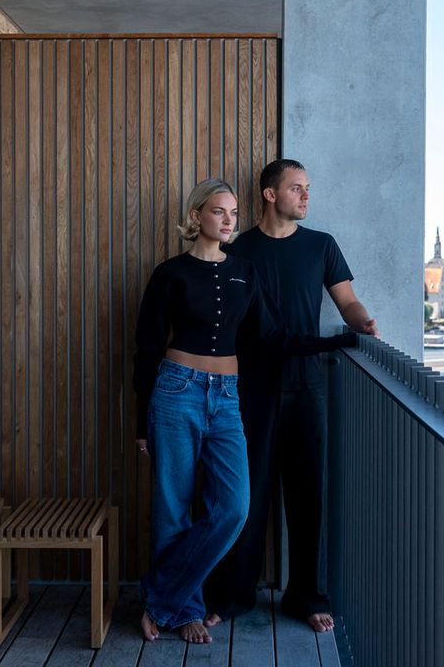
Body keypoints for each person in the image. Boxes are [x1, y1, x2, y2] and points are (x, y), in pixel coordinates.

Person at [133, 177, 356, 644]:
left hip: (228, 396)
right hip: (176, 393)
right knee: (173, 507)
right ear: (197, 217)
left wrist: (337, 338)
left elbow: (274, 337)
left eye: (233, 213)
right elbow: (146, 350)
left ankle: (160, 595)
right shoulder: (169, 273)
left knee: (233, 508)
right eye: (219, 212)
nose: (229, 221)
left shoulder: (245, 272)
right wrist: (141, 424)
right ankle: (183, 607)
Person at [204, 159, 379, 633]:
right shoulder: (237, 251)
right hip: (249, 390)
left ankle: (307, 596)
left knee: (308, 497)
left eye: (307, 189)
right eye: (296, 188)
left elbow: (347, 301)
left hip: (307, 388)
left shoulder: (322, 246)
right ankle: (234, 595)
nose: (305, 196)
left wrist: (362, 322)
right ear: (268, 194)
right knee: (245, 497)